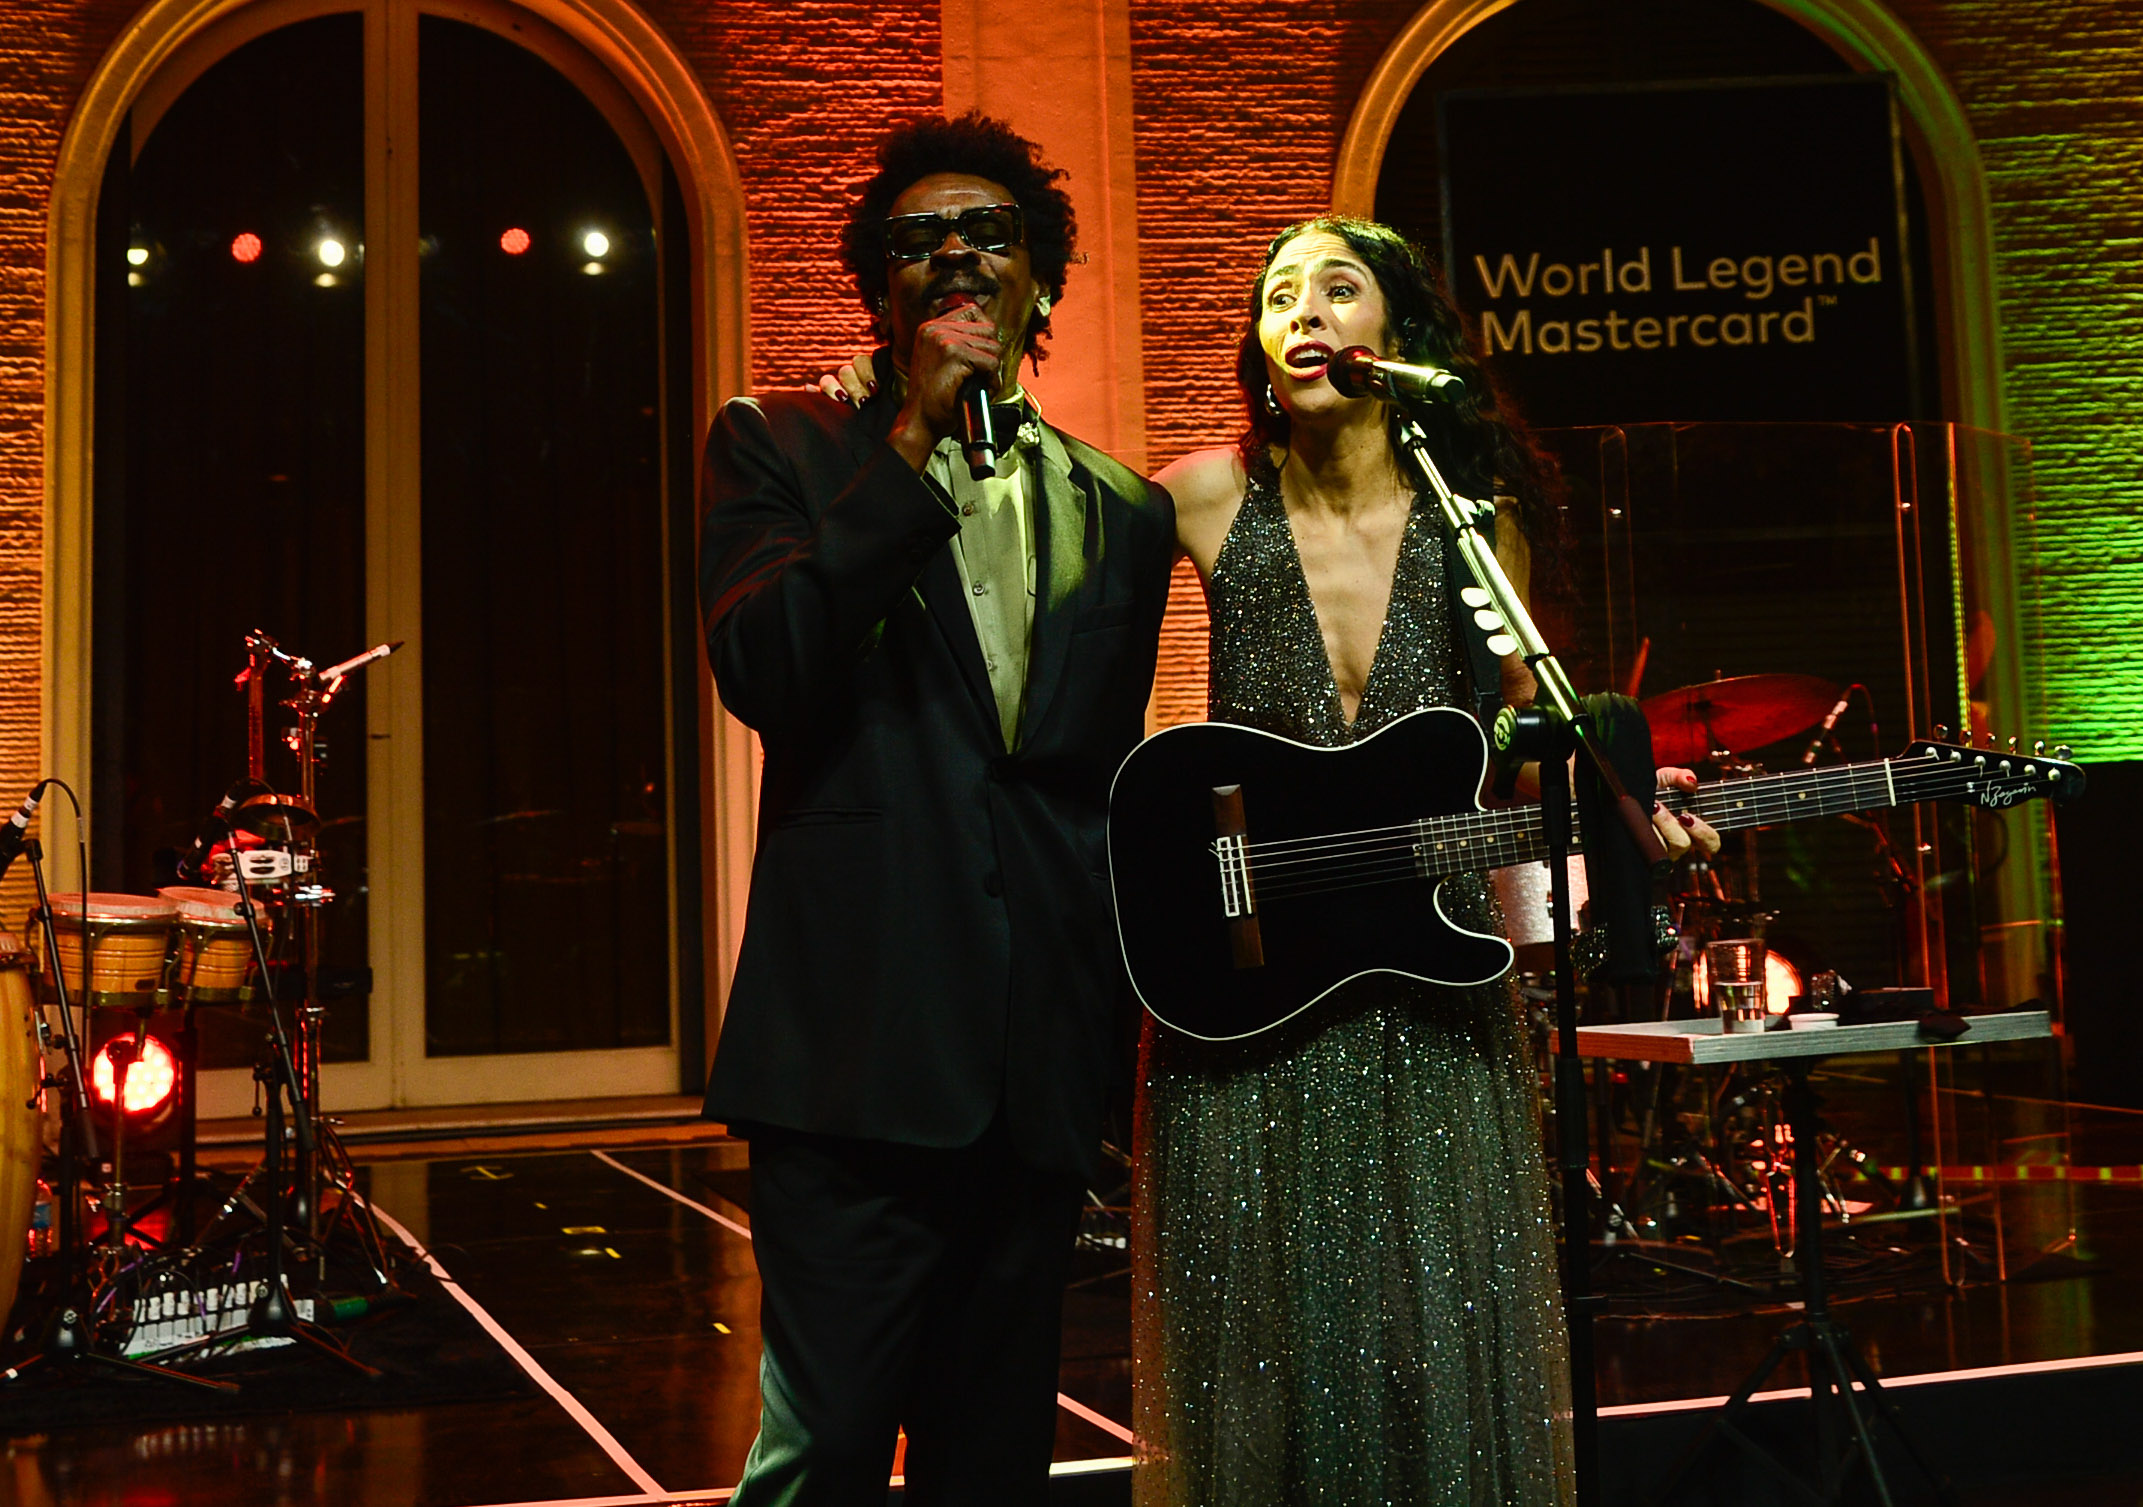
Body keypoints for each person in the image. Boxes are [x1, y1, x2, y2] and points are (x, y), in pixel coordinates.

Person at [1132, 216, 1716, 1506]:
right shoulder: (1201, 497)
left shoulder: (1473, 524)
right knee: (1268, 1351)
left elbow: (1512, 745)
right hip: (1250, 985)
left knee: (1427, 1339)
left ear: (1396, 336)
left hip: (1429, 987)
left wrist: (1625, 804)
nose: (1304, 313)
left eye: (1337, 290)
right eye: (1279, 295)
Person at [698, 113, 1175, 1506]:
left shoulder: (1123, 509)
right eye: (919, 239)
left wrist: (1109, 1036)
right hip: (853, 1052)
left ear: (1043, 280)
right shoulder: (779, 444)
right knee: (829, 1449)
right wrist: (910, 437)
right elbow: (770, 670)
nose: (957, 253)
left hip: (1035, 1065)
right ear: (881, 286)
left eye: (989, 232)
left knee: (993, 1463)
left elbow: (1093, 787)